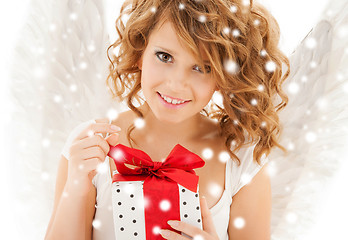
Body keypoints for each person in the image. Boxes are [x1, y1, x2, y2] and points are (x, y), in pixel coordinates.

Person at [45, 0, 290, 239]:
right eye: (164, 57)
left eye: (202, 68)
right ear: (140, 52)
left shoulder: (242, 158)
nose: (175, 84)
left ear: (222, 77)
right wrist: (75, 189)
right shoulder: (91, 144)